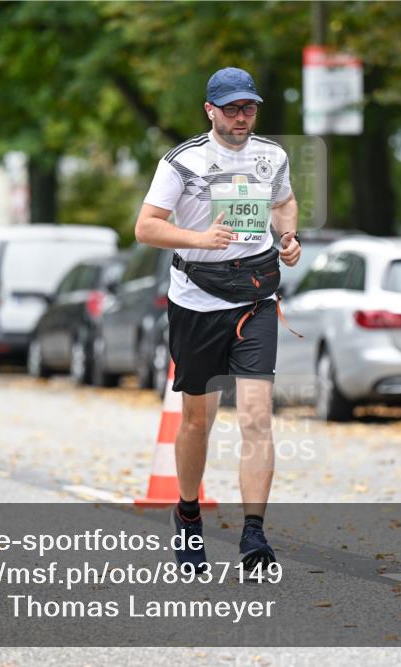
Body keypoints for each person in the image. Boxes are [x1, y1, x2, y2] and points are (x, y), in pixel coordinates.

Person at [135, 67, 301, 573]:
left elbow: (285, 202)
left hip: (254, 297)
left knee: (255, 416)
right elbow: (146, 227)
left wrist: (289, 238)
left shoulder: (272, 156)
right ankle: (187, 516)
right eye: (231, 109)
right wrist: (200, 239)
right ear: (210, 110)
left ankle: (254, 535)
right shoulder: (182, 161)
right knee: (197, 421)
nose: (241, 117)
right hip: (197, 300)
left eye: (248, 107)